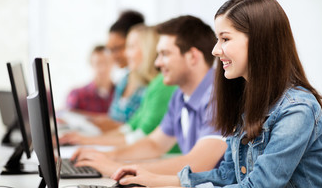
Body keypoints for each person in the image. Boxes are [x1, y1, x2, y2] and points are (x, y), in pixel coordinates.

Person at [111, 0, 322, 187]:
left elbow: (259, 185)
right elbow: (228, 176)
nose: (216, 50)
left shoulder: (297, 110)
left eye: (225, 39)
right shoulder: (246, 100)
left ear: (258, 41)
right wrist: (155, 180)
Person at [70, 15, 228, 177]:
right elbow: (155, 143)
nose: (157, 63)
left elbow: (199, 163)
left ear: (192, 57)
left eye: (165, 54)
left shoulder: (219, 97)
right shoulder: (180, 95)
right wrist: (107, 157)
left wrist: (119, 168)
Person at [60, 24, 158, 143]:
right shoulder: (124, 82)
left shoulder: (155, 87)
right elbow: (129, 129)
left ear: (147, 49)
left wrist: (89, 141)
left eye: (131, 47)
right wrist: (85, 139)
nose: (125, 54)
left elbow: (139, 135)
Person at [66, 45, 114, 114]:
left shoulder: (121, 94)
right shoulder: (77, 95)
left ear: (112, 63)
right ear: (91, 65)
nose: (103, 68)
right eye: (98, 63)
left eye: (106, 62)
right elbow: (65, 118)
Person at [107, 10, 145, 85]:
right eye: (110, 49)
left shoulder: (149, 83)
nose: (113, 56)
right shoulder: (122, 82)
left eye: (117, 48)